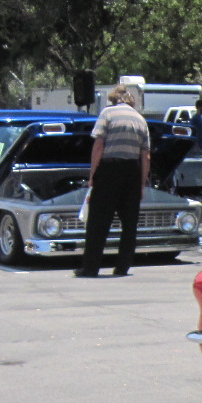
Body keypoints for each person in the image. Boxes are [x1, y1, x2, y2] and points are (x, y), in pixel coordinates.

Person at [77, 87, 150, 277]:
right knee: (129, 224)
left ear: (113, 99)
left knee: (98, 222)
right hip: (132, 171)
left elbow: (99, 145)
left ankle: (90, 267)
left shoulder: (107, 113)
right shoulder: (140, 120)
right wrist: (141, 184)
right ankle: (122, 267)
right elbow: (146, 155)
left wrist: (92, 174)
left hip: (110, 169)